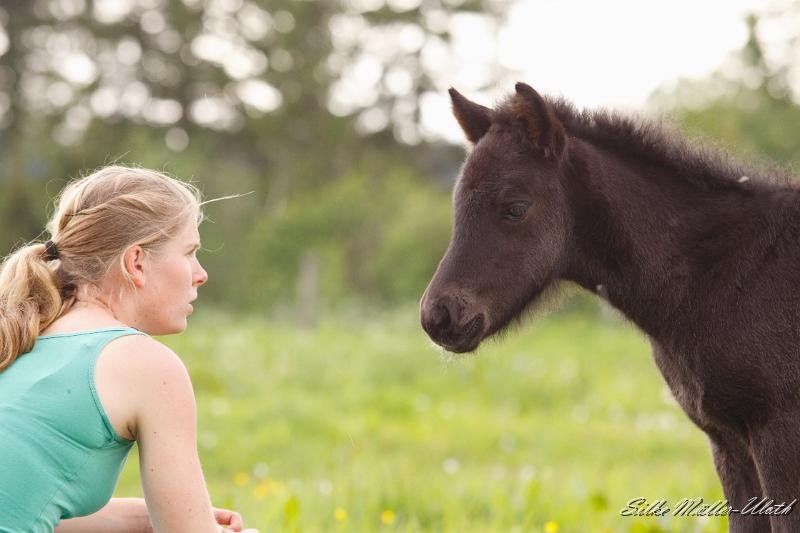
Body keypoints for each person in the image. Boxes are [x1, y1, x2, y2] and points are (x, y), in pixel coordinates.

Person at [0, 166, 258, 533]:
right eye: (188, 253)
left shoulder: (28, 337)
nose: (200, 274)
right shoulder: (146, 364)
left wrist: (144, 517)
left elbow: (28, 509)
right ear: (136, 262)